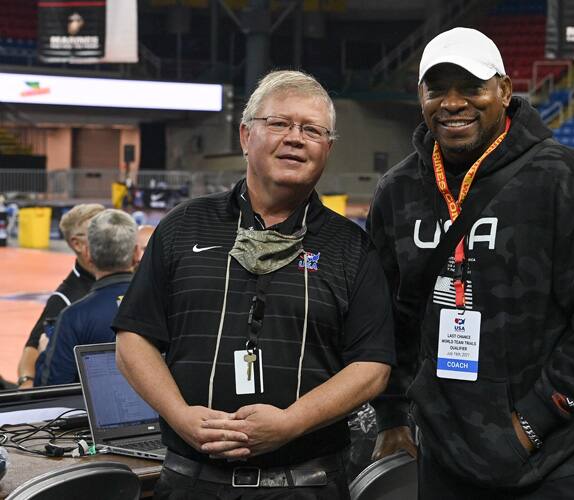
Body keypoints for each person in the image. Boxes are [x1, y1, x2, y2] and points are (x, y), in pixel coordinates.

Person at [367, 27, 574, 498]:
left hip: (558, 457)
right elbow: (387, 317)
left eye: (472, 87)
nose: (453, 103)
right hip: (444, 457)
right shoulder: (398, 191)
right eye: (438, 89)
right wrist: (391, 415)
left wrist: (531, 424)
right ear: (421, 97)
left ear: (504, 90)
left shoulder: (564, 178)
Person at [112, 70, 394, 499]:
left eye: (312, 130)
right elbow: (134, 340)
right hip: (190, 482)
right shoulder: (183, 226)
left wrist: (291, 422)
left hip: (306, 484)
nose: (296, 138)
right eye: (279, 123)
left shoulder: (351, 247)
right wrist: (181, 415)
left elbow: (372, 368)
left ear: (328, 149)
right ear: (245, 136)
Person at [35, 209, 138, 386]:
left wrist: (45, 354)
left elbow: (52, 389)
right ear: (136, 254)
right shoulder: (166, 303)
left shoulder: (73, 317)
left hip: (92, 413)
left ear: (88, 254)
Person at [16, 203, 103, 389]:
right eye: (97, 233)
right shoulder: (65, 298)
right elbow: (32, 346)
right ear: (77, 244)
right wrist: (27, 384)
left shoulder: (129, 274)